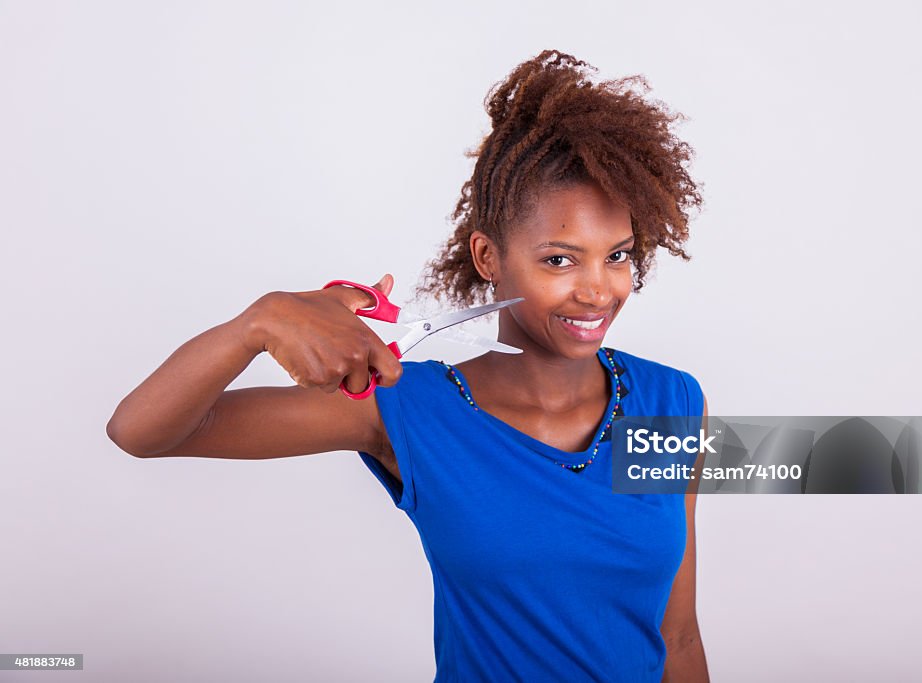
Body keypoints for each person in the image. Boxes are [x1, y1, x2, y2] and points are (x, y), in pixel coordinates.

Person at [107, 49, 710, 682]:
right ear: (487, 256)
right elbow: (141, 432)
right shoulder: (407, 407)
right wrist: (258, 323)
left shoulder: (670, 400)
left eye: (616, 256)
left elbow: (678, 633)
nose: (597, 291)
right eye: (559, 260)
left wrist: (818, 456)